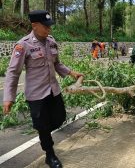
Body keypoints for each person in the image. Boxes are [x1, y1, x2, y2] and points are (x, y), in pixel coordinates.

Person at [3, 10, 83, 168]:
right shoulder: (23, 45)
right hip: (36, 95)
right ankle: (50, 154)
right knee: (43, 126)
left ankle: (42, 128)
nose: (49, 29)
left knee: (60, 117)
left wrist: (71, 73)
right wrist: (8, 97)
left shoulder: (51, 42)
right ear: (34, 26)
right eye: (45, 27)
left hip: (54, 90)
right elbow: (13, 72)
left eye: (49, 26)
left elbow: (57, 64)